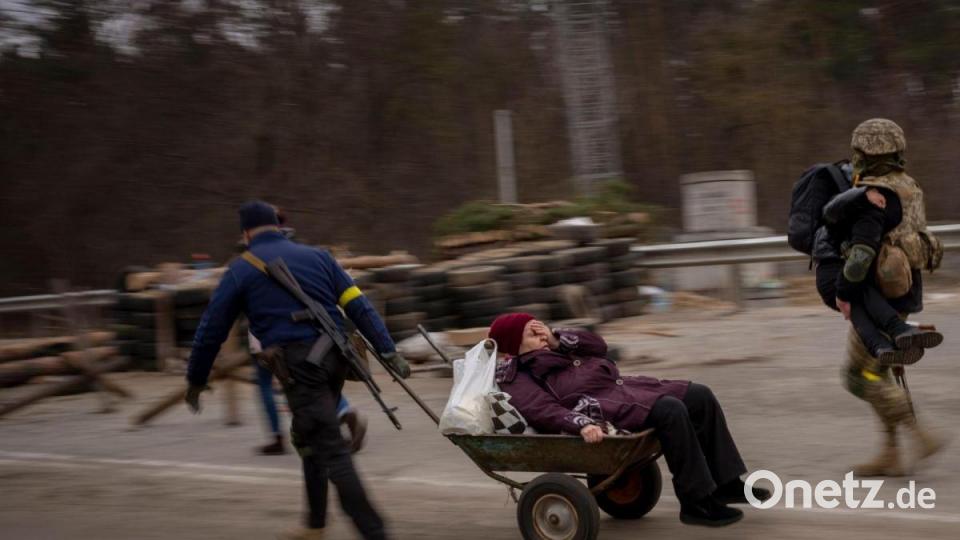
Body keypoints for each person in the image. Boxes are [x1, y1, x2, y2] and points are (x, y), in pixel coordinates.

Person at [184, 201, 410, 540]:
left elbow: (211, 330)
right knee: (309, 436)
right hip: (337, 359)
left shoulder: (240, 269)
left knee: (331, 449)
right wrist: (387, 349)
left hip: (301, 367)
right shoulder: (320, 256)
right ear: (278, 226)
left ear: (246, 233)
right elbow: (358, 305)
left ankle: (376, 534)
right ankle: (315, 526)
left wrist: (196, 378)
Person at [487, 313, 770, 527]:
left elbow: (599, 345)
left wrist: (556, 339)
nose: (540, 334)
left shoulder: (557, 348)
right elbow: (542, 410)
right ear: (514, 344)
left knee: (699, 395)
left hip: (626, 389)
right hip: (597, 408)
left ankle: (725, 483)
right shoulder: (517, 376)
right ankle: (695, 503)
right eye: (531, 332)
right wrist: (580, 423)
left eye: (540, 327)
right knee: (670, 409)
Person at [811, 118, 945, 476]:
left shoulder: (873, 192)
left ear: (864, 152)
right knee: (879, 369)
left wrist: (844, 291)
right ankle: (890, 454)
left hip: (878, 297)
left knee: (858, 376)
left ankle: (919, 432)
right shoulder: (910, 186)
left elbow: (862, 253)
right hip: (907, 289)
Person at [245, 208, 367, 456]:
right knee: (315, 381)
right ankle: (342, 411)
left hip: (271, 334)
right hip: (314, 330)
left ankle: (280, 437)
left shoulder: (254, 256)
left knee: (269, 383)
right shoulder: (304, 253)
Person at [814, 169, 943, 365]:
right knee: (858, 291)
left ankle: (884, 346)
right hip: (831, 272)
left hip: (837, 270)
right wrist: (864, 193)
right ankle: (898, 330)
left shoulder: (855, 210)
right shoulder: (854, 208)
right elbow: (830, 212)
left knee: (860, 302)